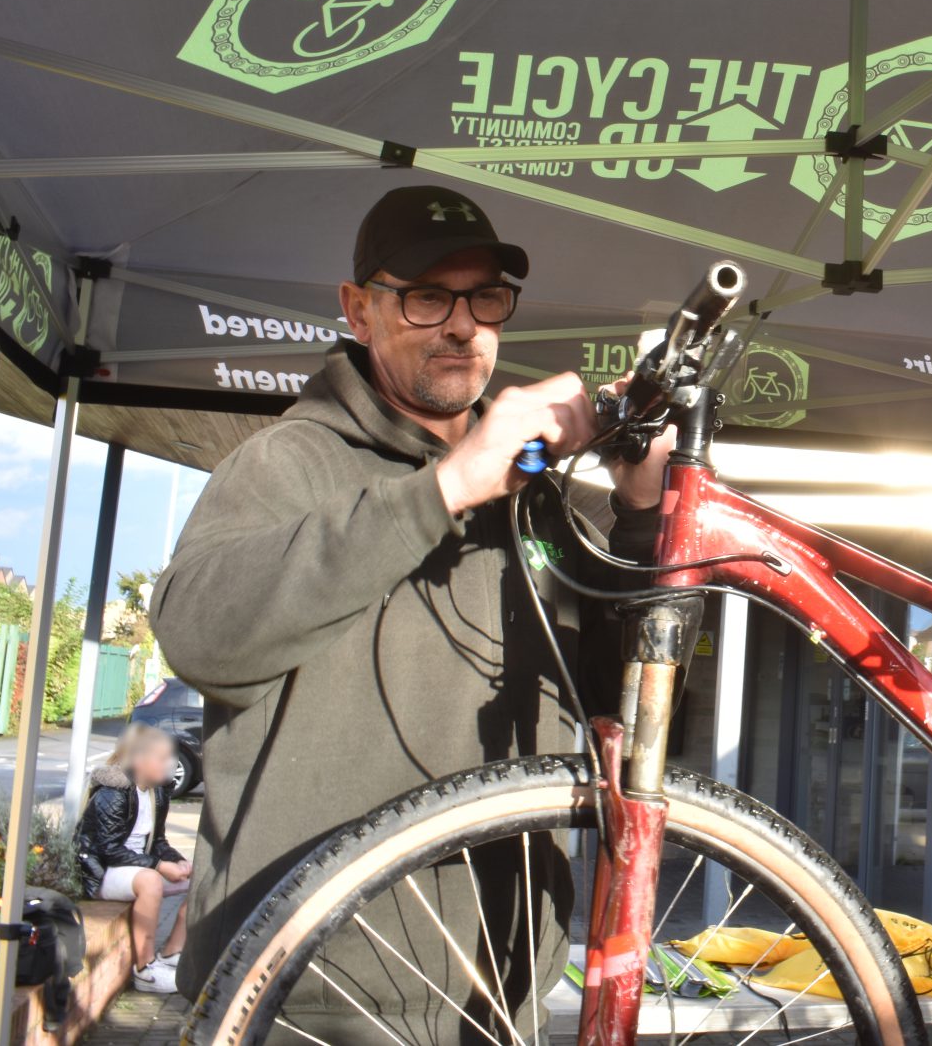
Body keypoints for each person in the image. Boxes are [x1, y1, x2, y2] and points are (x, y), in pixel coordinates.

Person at [149, 185, 670, 1013]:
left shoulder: (539, 500)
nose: (463, 324)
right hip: (302, 985)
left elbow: (632, 708)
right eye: (428, 296)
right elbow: (197, 634)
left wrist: (644, 517)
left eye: (485, 297)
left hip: (494, 987)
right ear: (359, 310)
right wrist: (445, 490)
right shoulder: (288, 462)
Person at [74, 723, 190, 993]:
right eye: (161, 758)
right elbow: (109, 849)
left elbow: (158, 841)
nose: (169, 763)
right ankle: (144, 969)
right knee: (151, 881)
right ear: (139, 760)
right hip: (102, 872)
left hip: (135, 867)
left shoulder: (157, 792)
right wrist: (160, 866)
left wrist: (179, 861)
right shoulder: (112, 793)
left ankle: (173, 951)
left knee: (202, 874)